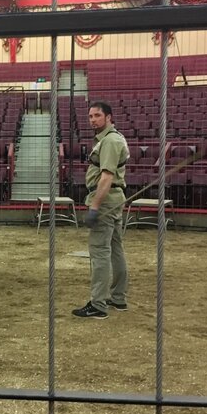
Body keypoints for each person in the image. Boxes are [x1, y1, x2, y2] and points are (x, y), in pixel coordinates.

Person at [72, 101, 130, 320]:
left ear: (109, 117)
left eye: (97, 115)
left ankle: (98, 304)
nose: (93, 120)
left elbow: (106, 177)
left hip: (105, 200)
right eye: (90, 116)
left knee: (99, 251)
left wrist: (95, 207)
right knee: (115, 248)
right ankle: (118, 298)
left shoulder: (110, 141)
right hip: (113, 199)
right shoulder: (112, 139)